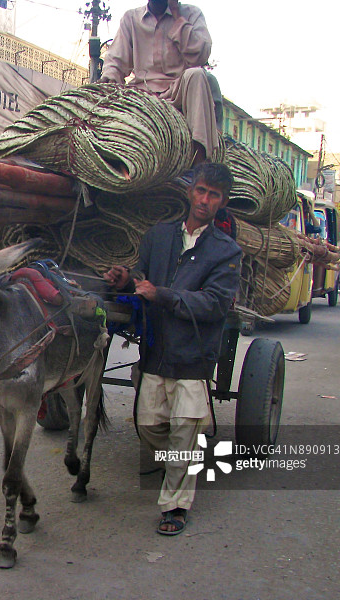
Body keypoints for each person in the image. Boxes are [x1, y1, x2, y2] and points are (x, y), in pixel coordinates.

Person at [103, 163, 241, 535]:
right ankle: (181, 461)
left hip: (193, 357)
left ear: (221, 202)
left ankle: (176, 506)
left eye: (213, 195)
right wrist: (126, 278)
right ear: (190, 191)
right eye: (200, 190)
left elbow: (214, 304)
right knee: (149, 427)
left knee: (183, 432)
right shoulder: (159, 236)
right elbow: (141, 279)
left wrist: (161, 294)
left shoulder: (226, 252)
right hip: (155, 352)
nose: (204, 199)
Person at [99, 0, 217, 165]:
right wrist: (108, 79)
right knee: (106, 93)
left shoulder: (192, 14)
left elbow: (201, 54)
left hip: (178, 91)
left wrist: (177, 18)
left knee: (197, 75)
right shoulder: (131, 18)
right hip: (141, 94)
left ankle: (199, 163)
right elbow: (115, 62)